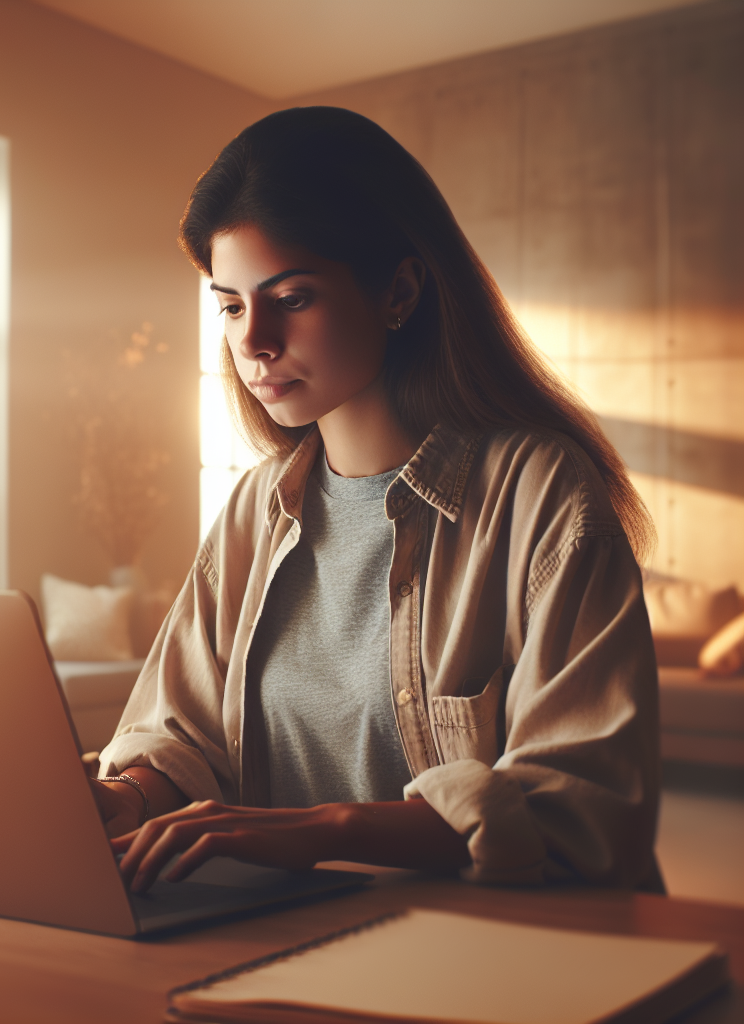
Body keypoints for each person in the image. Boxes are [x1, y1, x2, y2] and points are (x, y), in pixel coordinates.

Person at [90, 106, 661, 896]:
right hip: (285, 948)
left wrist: (326, 829)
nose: (252, 340)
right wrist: (120, 798)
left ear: (399, 288)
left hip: (502, 968)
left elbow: (585, 811)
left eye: (290, 298)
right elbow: (181, 733)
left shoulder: (542, 494)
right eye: (230, 305)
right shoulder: (256, 510)